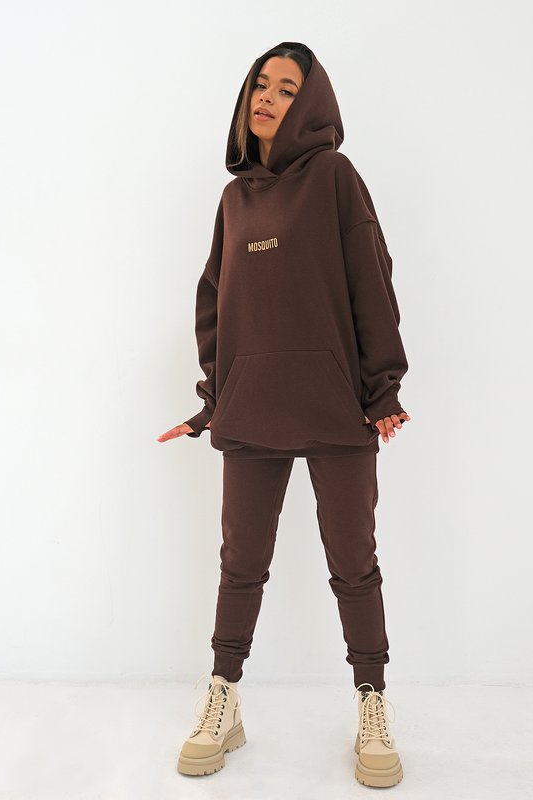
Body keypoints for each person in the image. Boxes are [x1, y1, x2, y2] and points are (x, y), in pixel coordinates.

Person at [158, 41, 410, 788]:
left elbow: (372, 280)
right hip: (252, 408)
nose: (267, 97)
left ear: (312, 103)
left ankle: (372, 704)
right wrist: (213, 401)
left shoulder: (335, 178)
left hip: (337, 406)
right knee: (240, 563)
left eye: (287, 88)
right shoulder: (234, 199)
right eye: (260, 85)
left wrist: (382, 389)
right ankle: (223, 699)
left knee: (353, 563)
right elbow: (216, 302)